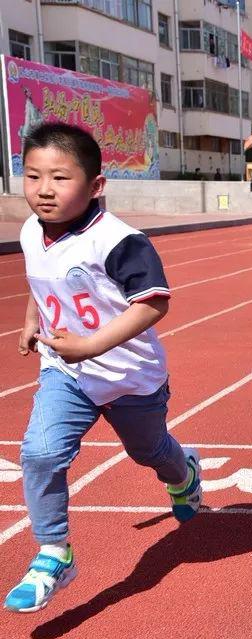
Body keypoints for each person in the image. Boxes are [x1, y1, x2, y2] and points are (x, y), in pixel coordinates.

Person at [4, 123, 202, 612]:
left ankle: (185, 476)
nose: (44, 190)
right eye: (32, 176)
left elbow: (154, 303)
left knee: (149, 451)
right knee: (41, 453)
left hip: (130, 377)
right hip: (66, 372)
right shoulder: (32, 230)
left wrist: (91, 344)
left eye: (59, 178)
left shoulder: (119, 241)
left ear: (95, 186)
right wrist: (33, 320)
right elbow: (41, 278)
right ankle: (54, 551)